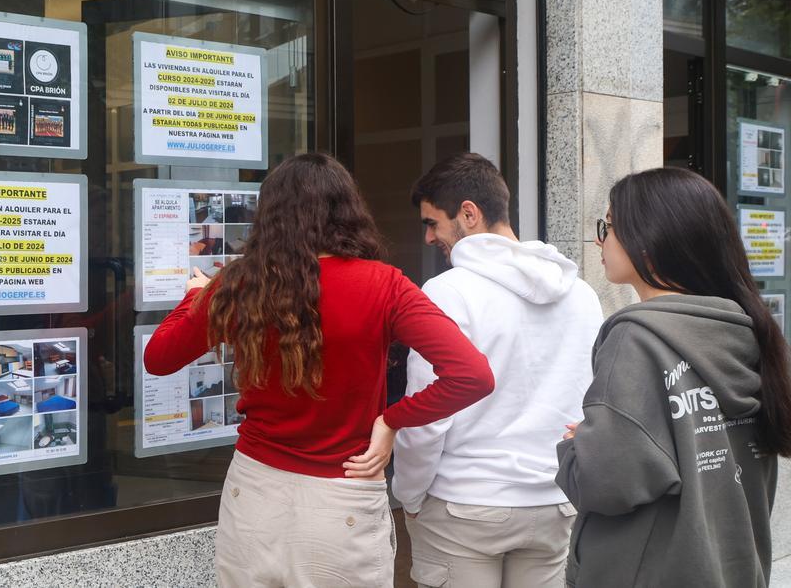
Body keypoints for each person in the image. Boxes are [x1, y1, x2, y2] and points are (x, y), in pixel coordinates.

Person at [144, 153, 495, 587]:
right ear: (347, 212)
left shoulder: (239, 284)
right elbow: (472, 375)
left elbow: (158, 358)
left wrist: (196, 296)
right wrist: (392, 419)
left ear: (271, 216)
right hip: (342, 501)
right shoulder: (384, 285)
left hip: (253, 493)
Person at [556, 167, 791, 587]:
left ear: (649, 243)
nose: (599, 240)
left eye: (607, 226)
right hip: (735, 569)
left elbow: (607, 482)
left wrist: (576, 449)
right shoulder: (747, 329)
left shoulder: (637, 338)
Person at [393, 153, 603, 587]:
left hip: (464, 505)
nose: (430, 238)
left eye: (433, 223)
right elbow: (593, 400)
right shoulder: (581, 294)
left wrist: (408, 493)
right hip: (554, 501)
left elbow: (426, 415)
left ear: (468, 213)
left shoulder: (447, 292)